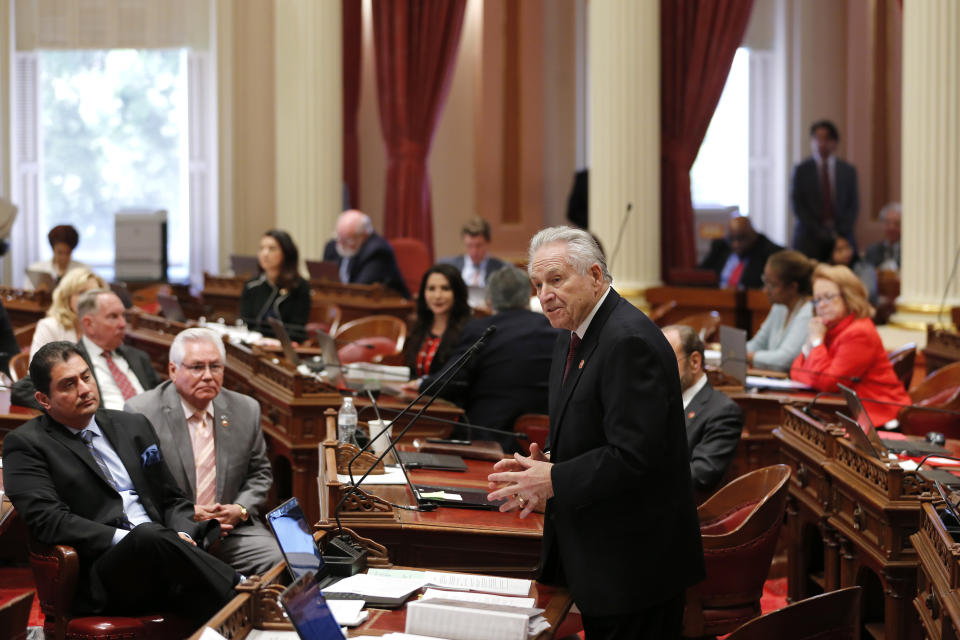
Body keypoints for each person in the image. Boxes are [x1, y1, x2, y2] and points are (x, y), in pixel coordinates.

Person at [487, 226, 703, 639]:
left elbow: (637, 457)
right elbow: (593, 431)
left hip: (637, 564)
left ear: (596, 276)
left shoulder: (628, 341)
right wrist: (545, 466)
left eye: (556, 279)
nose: (544, 294)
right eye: (538, 284)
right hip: (599, 553)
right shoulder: (574, 334)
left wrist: (555, 479)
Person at [2, 342, 239, 625]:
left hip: (167, 554)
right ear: (44, 399)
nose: (85, 389)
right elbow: (49, 521)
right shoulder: (26, 445)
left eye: (86, 377)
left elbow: (172, 499)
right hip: (103, 572)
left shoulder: (132, 425)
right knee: (149, 536)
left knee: (200, 596)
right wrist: (132, 539)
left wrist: (181, 535)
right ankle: (244, 589)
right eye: (68, 384)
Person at [125, 328, 282, 576]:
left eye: (215, 367)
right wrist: (185, 514)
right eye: (197, 367)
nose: (208, 376)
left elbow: (260, 473)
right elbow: (138, 485)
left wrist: (240, 509)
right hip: (174, 530)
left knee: (276, 560)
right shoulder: (141, 412)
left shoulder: (246, 409)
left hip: (233, 530)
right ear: (173, 370)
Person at [416, 265, 558, 453]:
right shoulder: (555, 330)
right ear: (529, 296)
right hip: (546, 444)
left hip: (489, 442)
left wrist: (421, 384)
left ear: (489, 300)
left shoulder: (482, 330)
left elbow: (446, 383)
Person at [790, 264, 911, 426]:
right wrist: (810, 348)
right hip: (848, 416)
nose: (821, 305)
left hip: (879, 420)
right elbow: (795, 372)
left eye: (828, 297)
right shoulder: (830, 327)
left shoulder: (859, 332)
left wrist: (817, 343)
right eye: (817, 299)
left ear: (848, 296)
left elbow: (828, 383)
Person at [12, 289, 162, 410]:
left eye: (123, 316)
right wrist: (68, 411)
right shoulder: (71, 359)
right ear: (89, 324)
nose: (123, 324)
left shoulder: (138, 356)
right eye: (113, 316)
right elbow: (21, 389)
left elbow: (161, 397)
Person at [662, 324, 743, 498]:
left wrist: (641, 476)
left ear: (694, 362)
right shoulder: (654, 399)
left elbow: (701, 475)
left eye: (666, 361)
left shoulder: (723, 411)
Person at [790, 120, 859, 260]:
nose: (821, 143)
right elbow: (798, 206)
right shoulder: (802, 170)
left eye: (826, 139)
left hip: (841, 236)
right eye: (817, 139)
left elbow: (853, 205)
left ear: (834, 142)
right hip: (809, 237)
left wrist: (839, 232)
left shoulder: (847, 170)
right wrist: (819, 232)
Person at [746, 250, 815, 372]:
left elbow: (785, 360)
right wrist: (731, 352)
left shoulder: (809, 311)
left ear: (793, 287)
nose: (765, 290)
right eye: (765, 281)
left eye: (772, 285)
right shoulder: (780, 306)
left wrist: (747, 357)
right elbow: (757, 343)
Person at [402, 264, 472, 380]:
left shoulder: (468, 331)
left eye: (445, 288)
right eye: (431, 289)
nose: (437, 296)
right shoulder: (419, 327)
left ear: (457, 293)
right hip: (414, 396)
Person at [240, 229, 311, 343]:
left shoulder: (299, 286)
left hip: (285, 347)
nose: (265, 253)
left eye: (271, 249)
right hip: (255, 344)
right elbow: (245, 323)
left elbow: (297, 330)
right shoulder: (251, 285)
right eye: (261, 248)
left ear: (286, 253)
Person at [322, 210, 410, 298]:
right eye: (339, 238)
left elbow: (360, 289)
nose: (341, 244)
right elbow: (324, 281)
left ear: (364, 235)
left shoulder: (378, 251)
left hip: (389, 305)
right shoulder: (333, 246)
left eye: (347, 240)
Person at [30, 267, 107, 359]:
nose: (89, 299)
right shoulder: (49, 326)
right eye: (81, 293)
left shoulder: (104, 325)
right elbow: (36, 371)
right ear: (67, 298)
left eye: (94, 293)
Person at [699, 216, 783, 289]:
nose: (736, 244)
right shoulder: (720, 247)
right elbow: (700, 274)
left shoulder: (770, 253)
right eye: (732, 239)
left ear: (754, 235)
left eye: (741, 238)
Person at [439, 217, 507, 289]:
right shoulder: (448, 267)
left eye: (479, 245)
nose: (474, 251)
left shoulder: (502, 269)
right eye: (469, 245)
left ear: (488, 243)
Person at [829, 234, 878, 305]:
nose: (845, 253)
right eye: (839, 250)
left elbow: (868, 294)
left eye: (847, 247)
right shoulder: (828, 271)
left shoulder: (864, 268)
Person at [864, 202, 902, 271]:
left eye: (897, 224)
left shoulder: (910, 251)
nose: (891, 228)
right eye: (887, 223)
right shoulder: (872, 251)